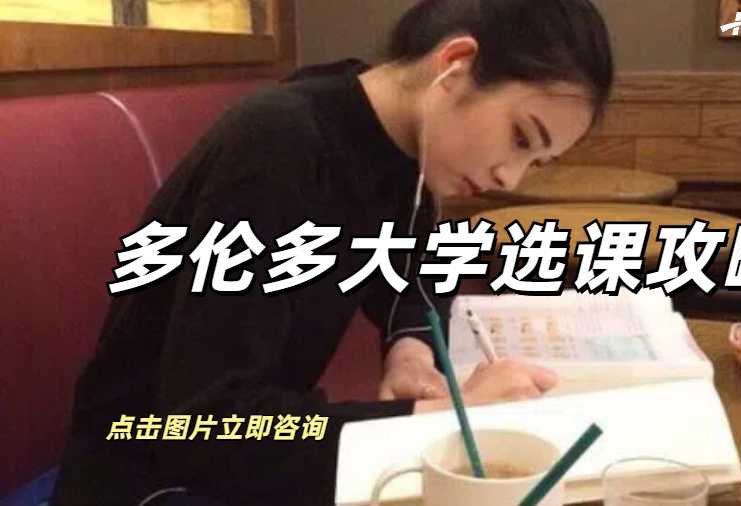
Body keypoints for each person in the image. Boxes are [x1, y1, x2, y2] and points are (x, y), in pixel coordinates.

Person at [51, 0, 614, 504]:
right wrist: (435, 416)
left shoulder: (406, 149)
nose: (510, 178)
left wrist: (411, 351)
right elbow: (204, 427)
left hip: (248, 457)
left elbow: (417, 278)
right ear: (456, 65)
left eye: (536, 161)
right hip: (146, 469)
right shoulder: (278, 145)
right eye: (520, 137)